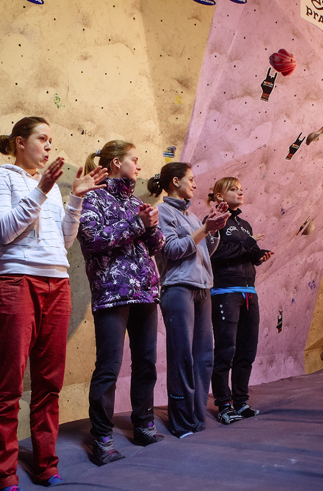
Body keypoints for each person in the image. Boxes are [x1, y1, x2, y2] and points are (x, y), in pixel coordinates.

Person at [0, 117, 108, 491]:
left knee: (49, 383)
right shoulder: (0, 177)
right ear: (20, 142)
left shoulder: (51, 188)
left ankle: (46, 463)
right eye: (42, 138)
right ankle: (3, 470)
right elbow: (4, 230)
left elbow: (65, 242)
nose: (49, 146)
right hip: (17, 281)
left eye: (52, 140)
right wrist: (42, 188)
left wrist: (76, 198)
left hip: (58, 283)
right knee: (8, 384)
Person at [77, 140, 166, 465]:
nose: (139, 167)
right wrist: (137, 224)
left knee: (146, 363)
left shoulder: (135, 203)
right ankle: (101, 438)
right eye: (134, 160)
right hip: (113, 293)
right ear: (115, 163)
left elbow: (154, 247)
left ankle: (143, 424)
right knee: (109, 367)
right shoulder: (92, 197)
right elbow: (93, 240)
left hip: (145, 292)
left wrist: (152, 226)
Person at [148, 162, 229, 438]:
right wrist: (205, 229)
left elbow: (205, 250)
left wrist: (213, 229)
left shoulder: (193, 217)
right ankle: (182, 421)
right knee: (182, 357)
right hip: (178, 288)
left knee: (203, 357)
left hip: (203, 288)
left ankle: (196, 417)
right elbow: (171, 250)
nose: (195, 184)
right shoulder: (162, 212)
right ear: (174, 182)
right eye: (190, 179)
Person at [207, 177, 273, 425]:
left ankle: (241, 402)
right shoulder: (213, 221)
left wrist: (259, 254)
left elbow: (247, 252)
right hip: (225, 292)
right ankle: (224, 405)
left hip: (249, 293)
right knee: (226, 350)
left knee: (247, 351)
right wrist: (246, 246)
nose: (240, 192)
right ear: (220, 196)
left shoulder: (244, 225)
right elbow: (216, 253)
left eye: (241, 189)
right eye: (234, 189)